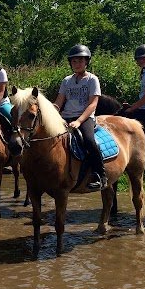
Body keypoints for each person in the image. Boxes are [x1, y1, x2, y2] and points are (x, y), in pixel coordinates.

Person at [52, 44, 105, 191]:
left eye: (80, 61)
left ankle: (100, 174)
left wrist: (79, 121)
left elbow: (93, 104)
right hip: (66, 117)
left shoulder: (92, 80)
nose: (77, 64)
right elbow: (59, 102)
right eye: (74, 61)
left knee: (88, 141)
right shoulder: (66, 81)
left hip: (85, 118)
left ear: (86, 62)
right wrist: (51, 113)